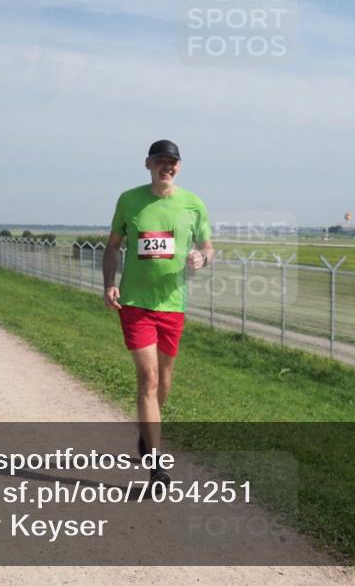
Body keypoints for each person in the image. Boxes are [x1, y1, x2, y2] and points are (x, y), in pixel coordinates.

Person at [103, 140, 213, 487]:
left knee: (164, 381)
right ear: (148, 164)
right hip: (136, 304)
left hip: (172, 305)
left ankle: (147, 431)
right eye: (161, 161)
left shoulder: (193, 204)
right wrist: (109, 284)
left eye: (172, 162)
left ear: (179, 167)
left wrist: (202, 257)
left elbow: (208, 246)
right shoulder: (129, 200)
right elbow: (112, 247)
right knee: (149, 377)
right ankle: (156, 467)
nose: (167, 166)